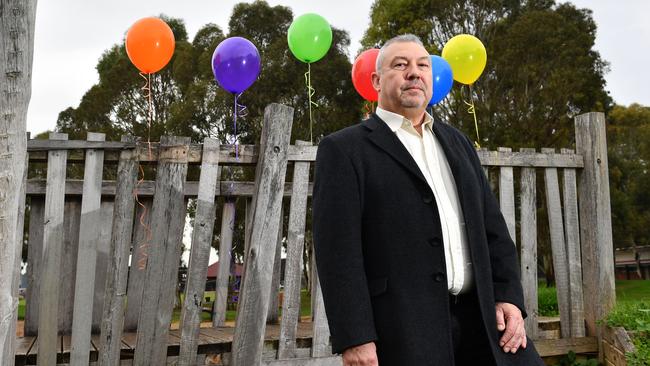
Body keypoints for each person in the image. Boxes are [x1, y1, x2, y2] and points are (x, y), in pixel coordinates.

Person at [312, 34, 545, 366]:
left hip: (483, 320)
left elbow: (492, 228)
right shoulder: (344, 150)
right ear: (377, 80)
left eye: (423, 65)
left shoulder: (459, 143)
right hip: (402, 331)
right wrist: (355, 337)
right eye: (401, 65)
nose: (414, 72)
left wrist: (508, 296)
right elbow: (338, 252)